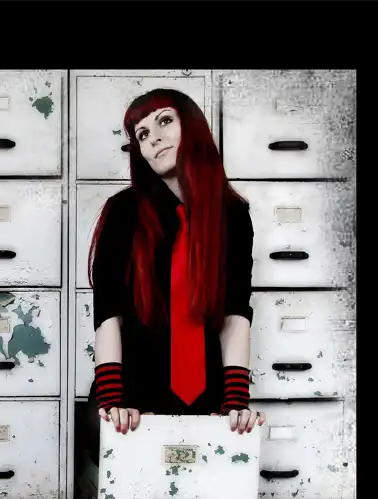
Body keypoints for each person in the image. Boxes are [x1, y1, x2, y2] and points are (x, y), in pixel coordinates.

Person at [83, 88, 266, 454]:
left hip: (207, 394)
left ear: (192, 127)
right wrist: (113, 401)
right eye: (142, 134)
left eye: (165, 121)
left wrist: (234, 402)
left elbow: (235, 312)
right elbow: (108, 313)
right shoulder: (123, 212)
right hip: (132, 391)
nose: (154, 139)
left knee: (213, 476)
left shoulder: (233, 215)